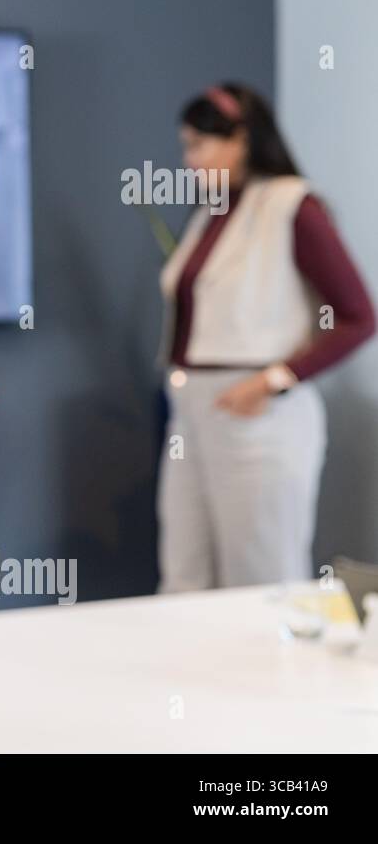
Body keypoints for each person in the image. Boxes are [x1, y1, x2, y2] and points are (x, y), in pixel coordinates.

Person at [156, 82, 375, 592]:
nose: (189, 161)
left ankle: (271, 672)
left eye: (199, 145)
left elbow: (359, 317)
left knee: (259, 579)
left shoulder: (292, 206)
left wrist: (275, 380)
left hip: (257, 412)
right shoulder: (212, 213)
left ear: (242, 140)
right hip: (193, 410)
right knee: (184, 572)